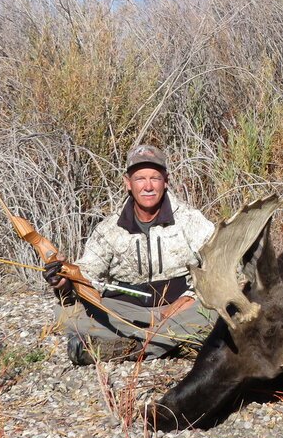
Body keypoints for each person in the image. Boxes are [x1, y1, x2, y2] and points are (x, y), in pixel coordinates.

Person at [44, 144, 217, 365]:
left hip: (182, 310)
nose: (148, 186)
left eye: (154, 178)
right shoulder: (108, 228)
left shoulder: (191, 220)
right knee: (65, 313)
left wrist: (191, 296)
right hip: (127, 312)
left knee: (219, 310)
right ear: (128, 183)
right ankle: (173, 343)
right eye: (139, 179)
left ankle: (131, 348)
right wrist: (63, 282)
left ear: (166, 181)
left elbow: (218, 266)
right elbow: (86, 275)